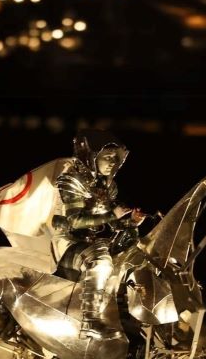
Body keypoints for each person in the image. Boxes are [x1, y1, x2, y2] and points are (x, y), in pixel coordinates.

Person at [53, 129, 145, 340]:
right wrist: (112, 214)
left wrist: (130, 222)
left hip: (96, 242)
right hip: (69, 244)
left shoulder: (108, 186)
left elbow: (111, 223)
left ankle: (125, 315)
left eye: (116, 158)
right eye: (107, 157)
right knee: (101, 261)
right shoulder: (72, 180)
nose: (113, 162)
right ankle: (90, 321)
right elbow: (75, 221)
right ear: (92, 156)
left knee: (134, 257)